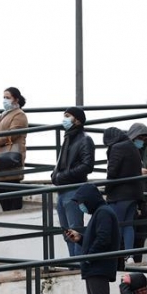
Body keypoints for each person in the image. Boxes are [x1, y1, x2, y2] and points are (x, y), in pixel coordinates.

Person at [65, 183, 120, 294]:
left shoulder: (103, 212)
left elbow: (103, 239)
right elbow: (98, 239)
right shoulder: (101, 212)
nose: (81, 206)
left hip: (98, 266)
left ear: (89, 199)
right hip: (95, 266)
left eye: (82, 201)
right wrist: (80, 239)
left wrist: (88, 257)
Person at [51, 107, 95, 257]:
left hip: (74, 191)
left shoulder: (85, 139)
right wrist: (54, 175)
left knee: (76, 229)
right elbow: (62, 164)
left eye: (67, 116)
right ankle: (73, 262)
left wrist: (63, 176)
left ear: (77, 120)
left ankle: (78, 263)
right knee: (66, 232)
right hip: (62, 191)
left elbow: (87, 166)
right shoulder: (68, 138)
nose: (64, 119)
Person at [0, 86, 29, 211]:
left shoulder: (19, 115)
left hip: (10, 160)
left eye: (7, 97)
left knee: (13, 198)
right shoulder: (2, 115)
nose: (5, 100)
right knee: (1, 195)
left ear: (16, 99)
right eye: (4, 97)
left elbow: (12, 134)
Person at [103, 127, 143, 264]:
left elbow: (112, 172)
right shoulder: (132, 147)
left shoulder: (117, 148)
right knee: (128, 225)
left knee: (116, 226)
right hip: (134, 194)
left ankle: (115, 257)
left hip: (119, 194)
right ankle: (129, 255)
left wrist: (107, 190)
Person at [127, 123, 147, 263]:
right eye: (140, 138)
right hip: (131, 201)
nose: (142, 142)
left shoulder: (144, 157)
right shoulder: (125, 154)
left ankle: (137, 266)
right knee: (128, 238)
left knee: (140, 240)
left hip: (145, 203)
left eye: (145, 139)